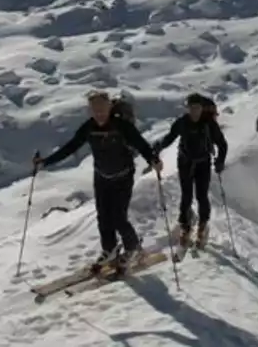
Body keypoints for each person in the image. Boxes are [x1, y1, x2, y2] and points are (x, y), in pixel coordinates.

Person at [33, 90, 162, 271]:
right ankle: (109, 249)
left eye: (102, 109)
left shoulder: (122, 126)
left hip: (123, 176)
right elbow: (70, 147)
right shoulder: (89, 127)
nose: (99, 113)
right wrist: (46, 162)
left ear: (109, 107)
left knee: (118, 217)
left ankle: (132, 247)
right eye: (95, 110)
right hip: (101, 176)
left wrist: (153, 160)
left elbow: (140, 143)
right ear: (90, 110)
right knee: (103, 216)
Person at [152, 93, 228, 246]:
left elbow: (222, 144)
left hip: (202, 163)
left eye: (197, 108)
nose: (194, 111)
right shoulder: (182, 122)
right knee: (186, 195)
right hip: (185, 162)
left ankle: (202, 225)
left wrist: (220, 161)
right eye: (191, 108)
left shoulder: (208, 123)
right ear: (187, 108)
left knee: (201, 195)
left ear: (201, 108)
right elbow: (169, 138)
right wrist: (157, 148)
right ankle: (185, 225)